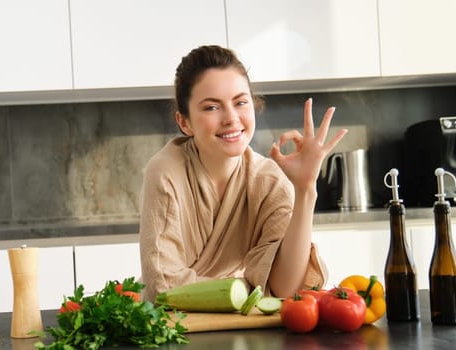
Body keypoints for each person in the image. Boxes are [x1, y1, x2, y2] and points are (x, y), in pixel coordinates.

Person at [139, 45, 348, 301]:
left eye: (240, 102)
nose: (231, 118)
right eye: (211, 107)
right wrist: (249, 291)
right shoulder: (165, 171)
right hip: (173, 322)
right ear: (185, 122)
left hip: (237, 320)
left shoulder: (268, 179)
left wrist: (305, 189)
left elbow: (286, 289)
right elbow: (164, 285)